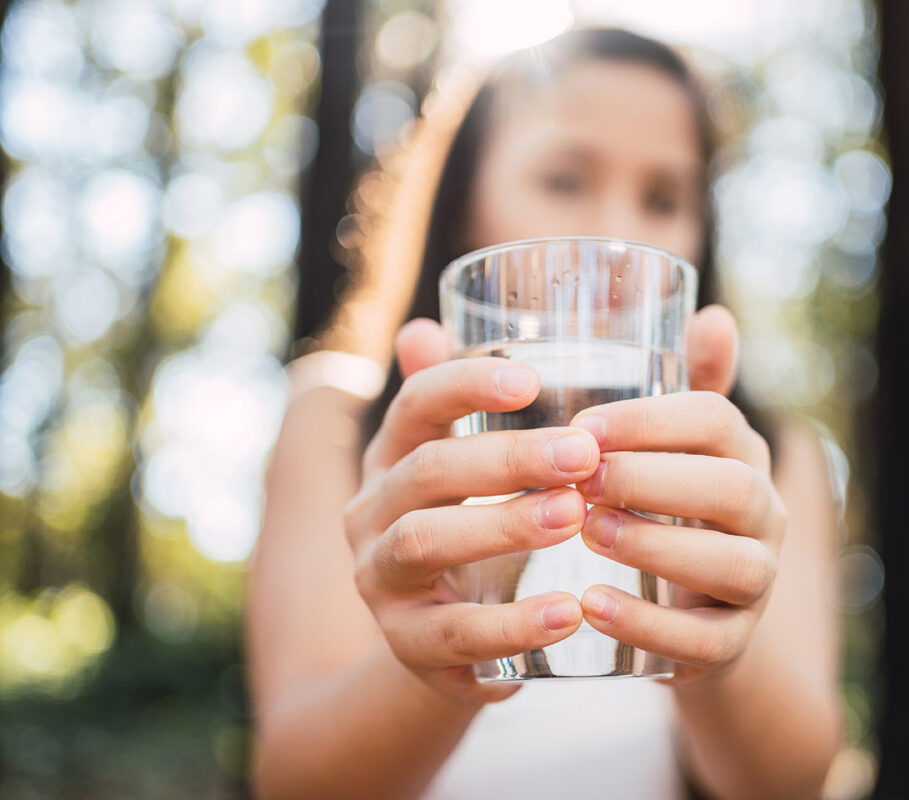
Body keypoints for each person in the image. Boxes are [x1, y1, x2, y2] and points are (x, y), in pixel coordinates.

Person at [247, 27, 842, 800]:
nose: (616, 235)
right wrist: (438, 666)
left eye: (664, 197)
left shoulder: (766, 458)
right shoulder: (333, 420)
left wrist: (715, 646)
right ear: (464, 202)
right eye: (564, 179)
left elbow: (794, 782)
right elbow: (293, 780)